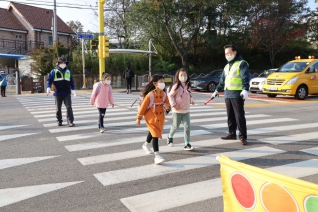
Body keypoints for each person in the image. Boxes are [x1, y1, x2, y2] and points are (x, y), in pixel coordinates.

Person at [211, 44, 249, 145]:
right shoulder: (227, 66)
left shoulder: (242, 63)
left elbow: (245, 77)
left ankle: (243, 136)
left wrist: (245, 89)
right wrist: (217, 90)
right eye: (226, 54)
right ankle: (232, 133)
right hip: (227, 94)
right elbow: (222, 80)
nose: (227, 55)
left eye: (229, 53)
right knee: (230, 116)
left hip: (237, 94)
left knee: (239, 116)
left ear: (235, 52)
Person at [136, 74, 170, 165]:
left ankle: (145, 145)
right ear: (155, 83)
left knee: (153, 132)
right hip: (150, 118)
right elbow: (143, 107)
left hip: (160, 118)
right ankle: (157, 156)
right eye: (161, 82)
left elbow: (168, 107)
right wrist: (138, 118)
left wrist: (167, 107)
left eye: (163, 81)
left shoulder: (164, 95)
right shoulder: (150, 95)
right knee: (155, 135)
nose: (163, 83)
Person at [167, 68, 195, 150]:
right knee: (175, 126)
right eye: (181, 75)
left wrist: (192, 100)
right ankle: (170, 136)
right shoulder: (176, 86)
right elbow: (170, 95)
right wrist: (174, 105)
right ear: (178, 76)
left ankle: (187, 143)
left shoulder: (188, 85)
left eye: (185, 75)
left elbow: (189, 95)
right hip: (177, 110)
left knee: (187, 127)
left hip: (186, 110)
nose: (183, 77)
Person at [47, 57, 76, 127]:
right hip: (58, 93)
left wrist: (74, 89)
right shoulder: (53, 71)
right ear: (58, 63)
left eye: (64, 63)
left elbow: (72, 82)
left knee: (69, 107)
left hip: (67, 93)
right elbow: (49, 80)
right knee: (58, 108)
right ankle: (59, 121)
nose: (63, 64)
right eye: (61, 63)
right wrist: (48, 87)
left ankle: (70, 121)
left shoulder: (68, 72)